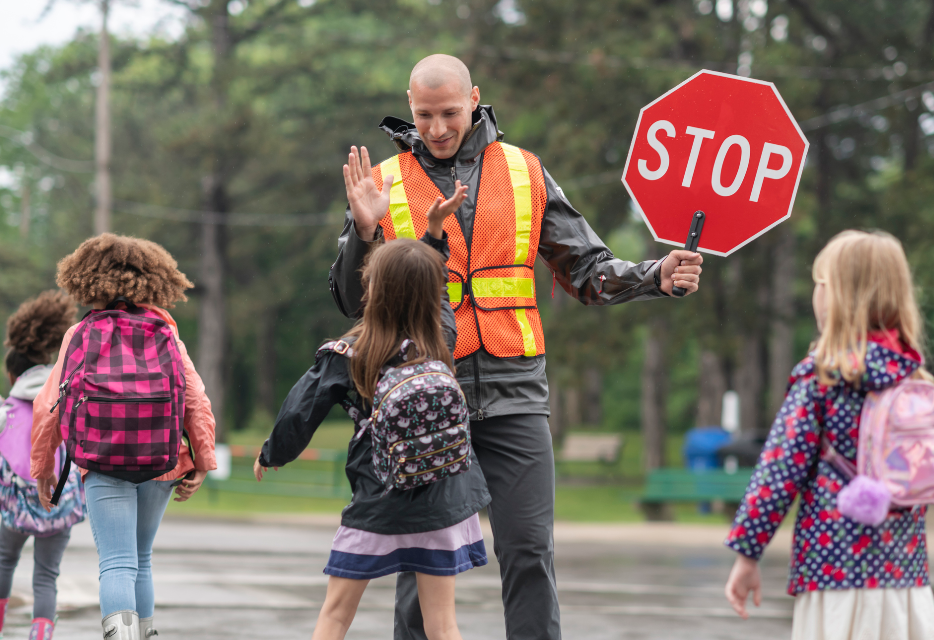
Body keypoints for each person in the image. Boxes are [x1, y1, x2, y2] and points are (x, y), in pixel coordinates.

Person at [329, 53, 703, 639]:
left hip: (515, 394)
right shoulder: (385, 183)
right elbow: (355, 303)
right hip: (425, 396)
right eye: (424, 115)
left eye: (450, 112)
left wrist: (655, 274)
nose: (438, 128)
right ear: (409, 105)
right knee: (423, 568)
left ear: (474, 98)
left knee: (529, 552)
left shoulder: (526, 172)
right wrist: (365, 231)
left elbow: (588, 269)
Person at [256, 183, 491, 640]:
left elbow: (301, 411)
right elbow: (432, 284)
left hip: (377, 502)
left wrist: (273, 453)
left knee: (335, 616)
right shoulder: (440, 339)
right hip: (443, 501)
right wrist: (435, 233)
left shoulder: (349, 353)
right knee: (443, 625)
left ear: (372, 291)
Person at [724, 230, 934, 640]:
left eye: (820, 283)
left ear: (837, 295)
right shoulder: (915, 380)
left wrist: (747, 554)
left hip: (834, 570)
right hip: (906, 577)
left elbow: (779, 471)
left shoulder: (822, 376)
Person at [30, 234, 218, 640]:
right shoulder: (165, 330)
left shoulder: (79, 333)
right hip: (161, 461)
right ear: (154, 279)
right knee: (141, 559)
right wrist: (203, 460)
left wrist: (43, 468)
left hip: (101, 461)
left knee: (116, 562)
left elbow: (49, 407)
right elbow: (195, 398)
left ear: (86, 279)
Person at [0, 290, 85, 640]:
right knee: (46, 575)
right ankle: (40, 636)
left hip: (13, 507)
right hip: (57, 501)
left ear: (12, 374)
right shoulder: (63, 398)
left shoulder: (6, 411)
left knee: (4, 562)